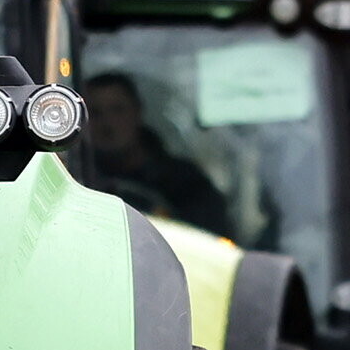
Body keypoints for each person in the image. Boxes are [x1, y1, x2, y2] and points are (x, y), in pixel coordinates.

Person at [70, 72, 239, 235]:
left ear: (137, 112)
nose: (108, 124)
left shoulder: (185, 184)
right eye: (96, 113)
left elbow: (210, 243)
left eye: (118, 110)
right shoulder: (72, 182)